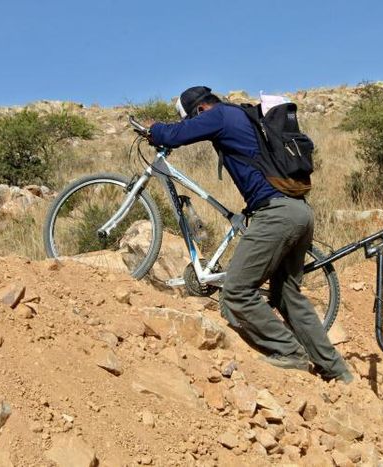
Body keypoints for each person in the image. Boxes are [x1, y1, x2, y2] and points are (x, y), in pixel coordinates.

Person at [147, 86, 353, 383]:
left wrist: (154, 130)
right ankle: (338, 372)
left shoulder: (219, 115)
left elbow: (176, 136)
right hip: (299, 213)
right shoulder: (244, 115)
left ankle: (290, 352)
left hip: (276, 216)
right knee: (287, 294)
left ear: (201, 109)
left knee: (236, 291)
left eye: (192, 117)